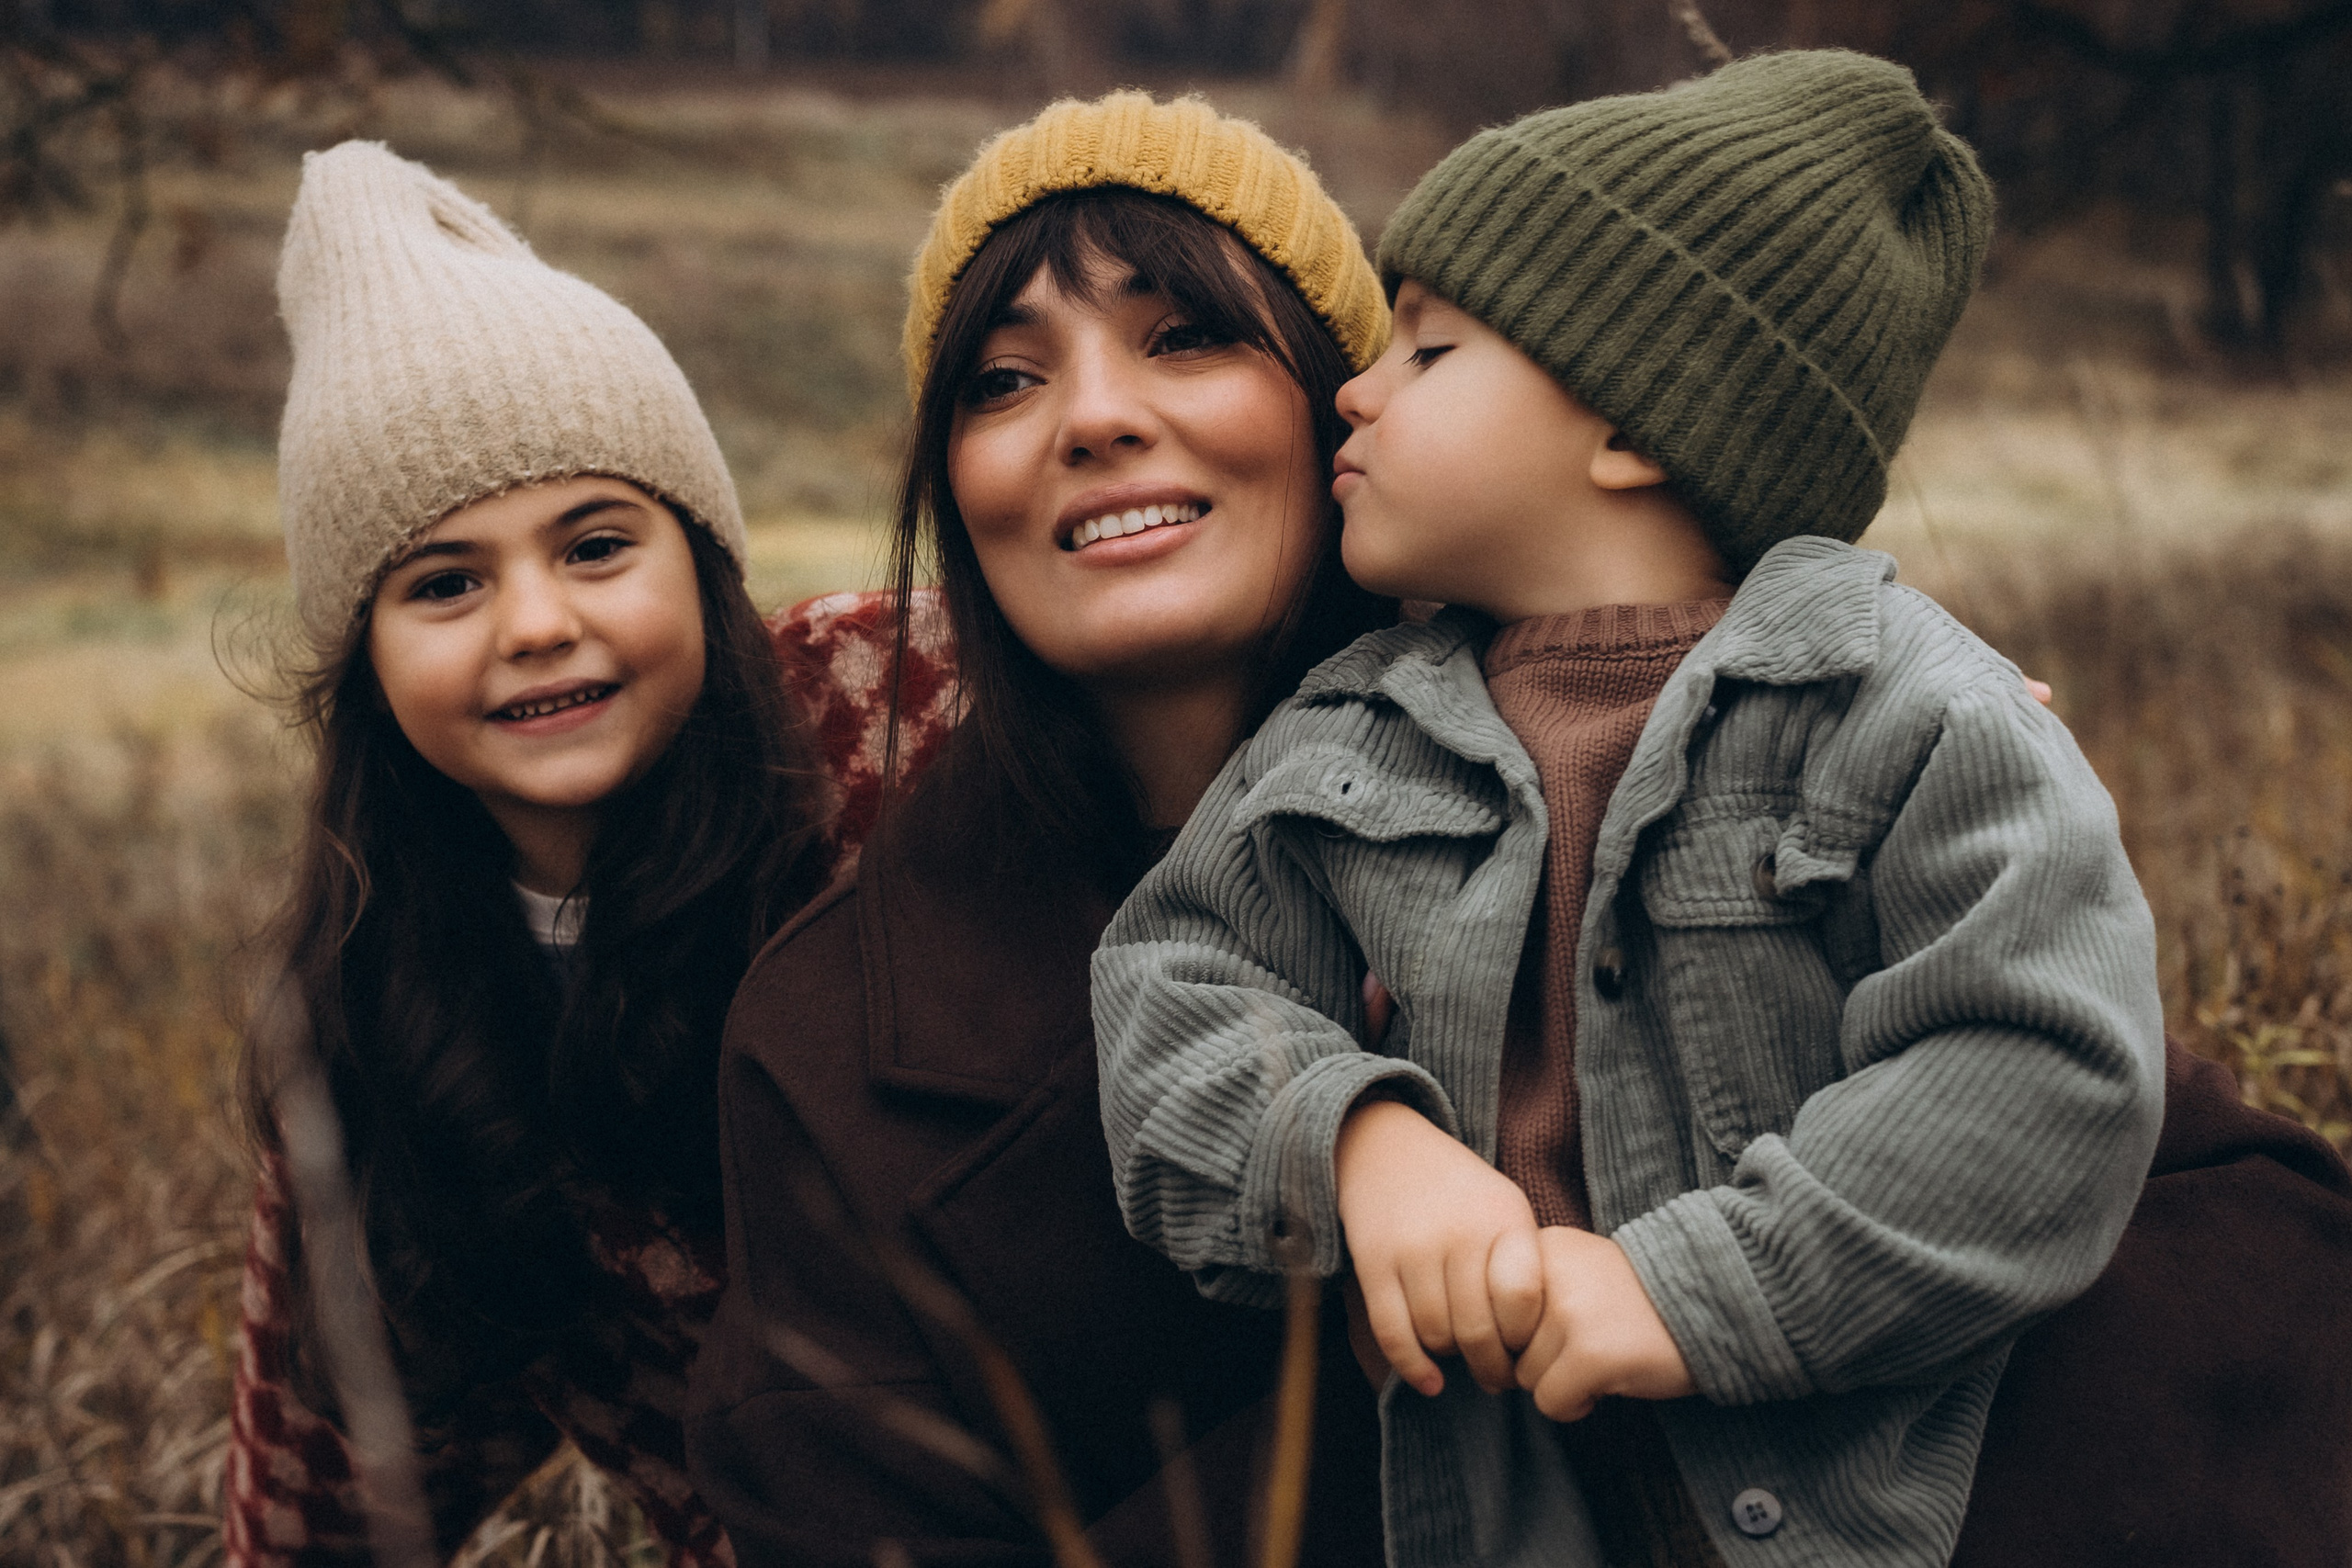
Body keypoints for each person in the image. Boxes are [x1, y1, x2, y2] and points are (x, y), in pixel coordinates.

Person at [1093, 52, 2167, 1568]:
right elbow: (1174, 994)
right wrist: (1354, 1148)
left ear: (1632, 427)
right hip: (1482, 1495)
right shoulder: (1348, 728)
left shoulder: (1908, 710)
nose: (1355, 385)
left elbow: (2040, 1068)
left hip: (1843, 1496)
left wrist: (1693, 1291)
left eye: (1432, 351)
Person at [220, 141, 961, 1566]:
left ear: (703, 560)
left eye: (596, 544)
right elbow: (323, 1511)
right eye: (445, 583)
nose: (537, 623)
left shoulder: (901, 710)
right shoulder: (382, 1026)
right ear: (361, 661)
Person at [683, 94, 1396, 1566]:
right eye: (1004, 382)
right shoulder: (824, 1051)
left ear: (1349, 406)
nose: (1093, 418)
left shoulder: (1655, 811)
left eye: (1184, 335)